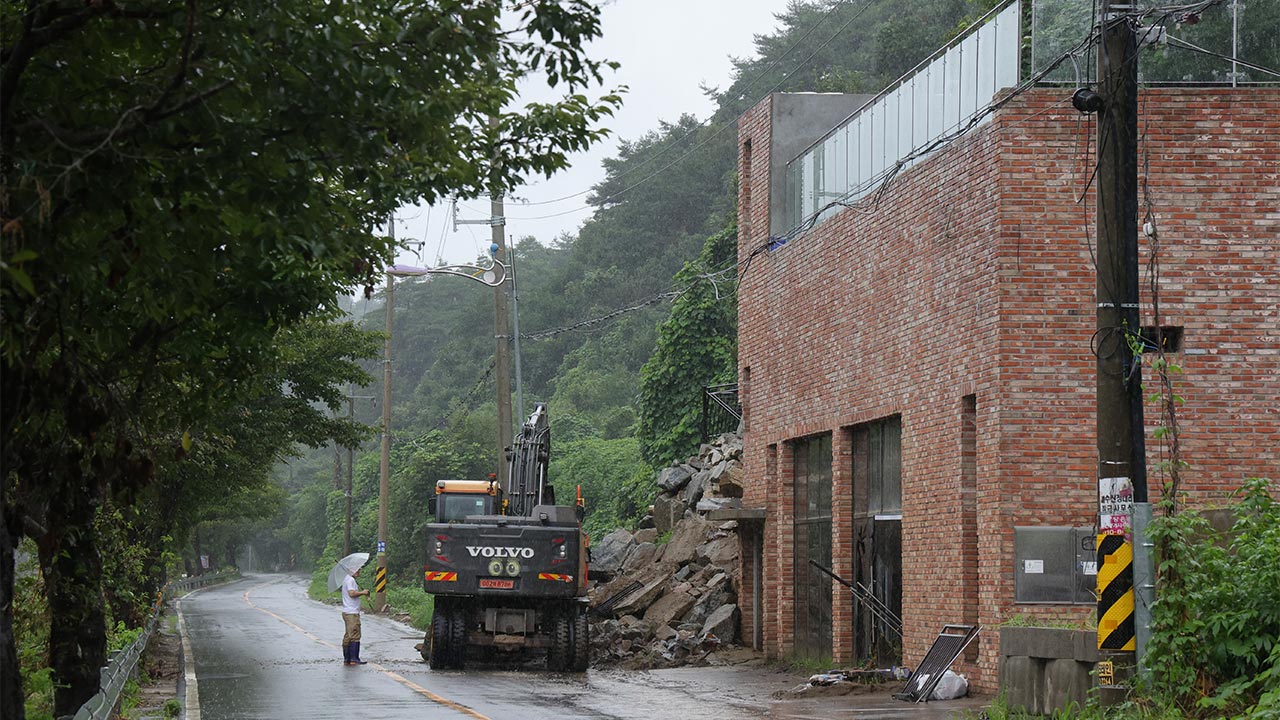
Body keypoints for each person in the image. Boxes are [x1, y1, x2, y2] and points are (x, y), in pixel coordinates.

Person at [341, 566, 371, 665]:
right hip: (351, 612)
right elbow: (352, 593)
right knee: (354, 634)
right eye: (356, 569)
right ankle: (354, 659)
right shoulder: (350, 580)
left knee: (348, 635)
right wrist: (363, 592)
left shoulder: (347, 579)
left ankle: (347, 659)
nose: (358, 571)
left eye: (359, 569)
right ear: (350, 570)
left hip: (348, 611)